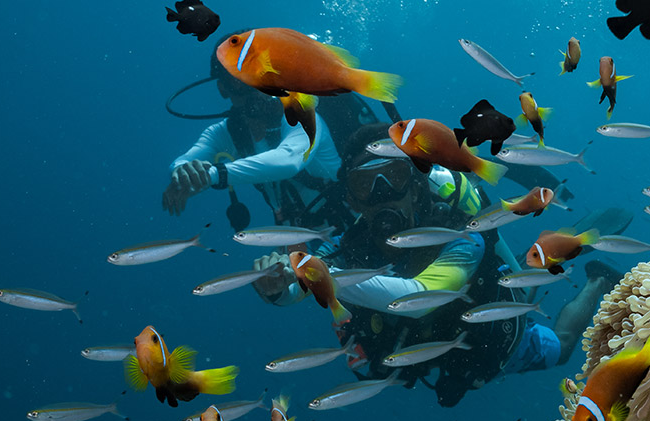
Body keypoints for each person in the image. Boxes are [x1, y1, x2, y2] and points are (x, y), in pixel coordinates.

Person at [251, 124, 609, 406]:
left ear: (417, 184)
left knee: (560, 348)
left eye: (394, 176)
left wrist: (318, 275)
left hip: (494, 339)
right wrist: (278, 285)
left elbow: (423, 297)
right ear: (352, 200)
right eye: (365, 184)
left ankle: (594, 280)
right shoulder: (348, 245)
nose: (382, 194)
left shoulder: (459, 234)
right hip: (429, 352)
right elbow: (296, 288)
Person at [161, 58, 365, 231]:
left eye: (261, 76)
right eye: (239, 80)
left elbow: (289, 160)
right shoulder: (226, 133)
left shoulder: (302, 111)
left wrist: (213, 175)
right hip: (315, 240)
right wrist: (182, 172)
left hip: (367, 227)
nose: (254, 88)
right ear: (223, 88)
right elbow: (186, 159)